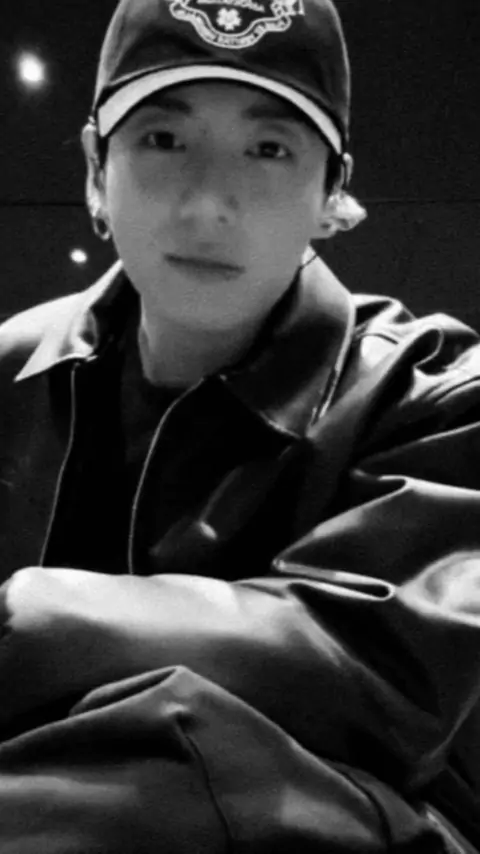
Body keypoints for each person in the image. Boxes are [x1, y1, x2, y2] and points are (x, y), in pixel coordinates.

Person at [0, 0, 480, 851]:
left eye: (268, 150)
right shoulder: (12, 370)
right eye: (163, 140)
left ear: (332, 191)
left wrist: (26, 615)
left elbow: (385, 673)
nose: (208, 204)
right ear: (95, 170)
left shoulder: (436, 390)